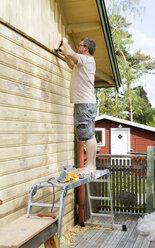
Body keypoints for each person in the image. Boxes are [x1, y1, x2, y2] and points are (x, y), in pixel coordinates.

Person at [58, 37, 97, 176]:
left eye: (79, 45)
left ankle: (91, 167)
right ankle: (91, 166)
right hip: (87, 102)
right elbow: (71, 64)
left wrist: (65, 41)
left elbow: (71, 54)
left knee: (88, 135)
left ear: (85, 48)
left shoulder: (86, 59)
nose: (78, 47)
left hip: (84, 103)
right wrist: (65, 54)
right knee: (90, 134)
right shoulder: (84, 62)